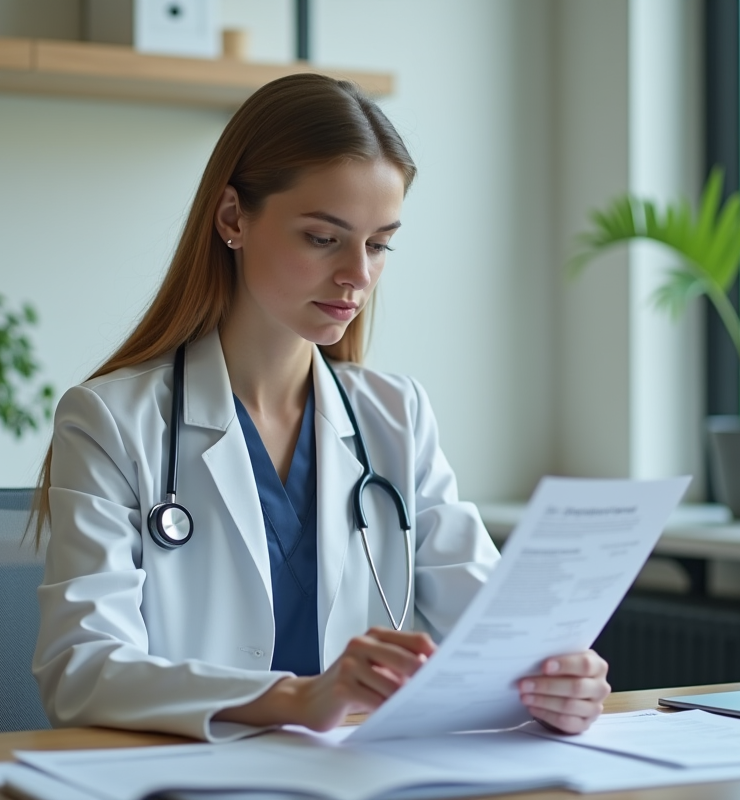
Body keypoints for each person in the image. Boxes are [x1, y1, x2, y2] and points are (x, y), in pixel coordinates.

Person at [31, 73, 610, 743]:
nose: (358, 275)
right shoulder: (111, 421)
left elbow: (490, 634)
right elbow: (81, 670)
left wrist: (555, 680)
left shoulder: (397, 416)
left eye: (380, 243)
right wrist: (299, 697)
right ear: (232, 219)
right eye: (322, 238)